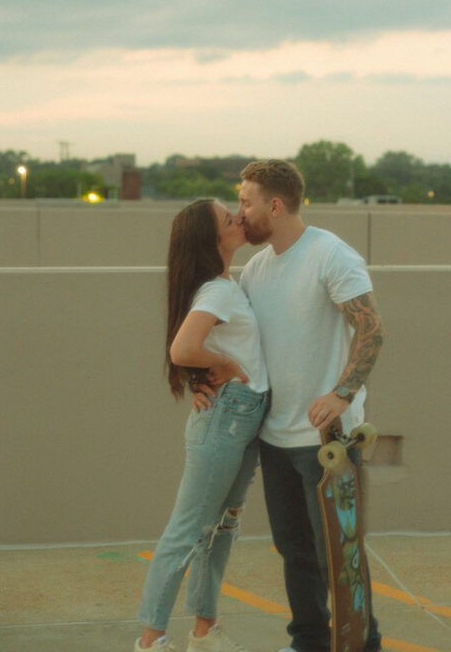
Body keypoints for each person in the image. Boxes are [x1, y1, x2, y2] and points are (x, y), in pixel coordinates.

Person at [206, 159, 385, 652]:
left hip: (329, 441)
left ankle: (362, 646)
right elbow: (238, 346)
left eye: (245, 201)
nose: (240, 213)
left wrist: (341, 393)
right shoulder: (257, 270)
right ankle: (307, 640)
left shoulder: (331, 255)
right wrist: (203, 378)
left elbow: (372, 330)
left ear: (275, 205)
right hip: (274, 437)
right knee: (294, 552)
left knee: (340, 555)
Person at [135, 197, 270, 652]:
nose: (239, 219)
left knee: (221, 526)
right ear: (211, 240)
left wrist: (217, 367)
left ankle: (205, 632)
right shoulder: (218, 291)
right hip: (227, 420)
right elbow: (182, 349)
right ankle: (152, 640)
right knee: (189, 530)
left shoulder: (226, 285)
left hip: (242, 419)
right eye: (229, 219)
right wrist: (224, 365)